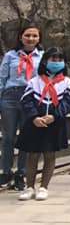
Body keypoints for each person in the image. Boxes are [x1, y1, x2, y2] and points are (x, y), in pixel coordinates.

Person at [17, 48, 70, 201]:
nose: (56, 62)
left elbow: (68, 102)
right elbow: (26, 100)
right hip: (35, 123)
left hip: (54, 123)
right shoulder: (35, 81)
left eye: (60, 60)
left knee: (49, 154)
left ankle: (44, 187)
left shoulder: (67, 82)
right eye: (53, 59)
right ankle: (29, 187)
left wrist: (55, 116)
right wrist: (34, 117)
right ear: (45, 61)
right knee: (33, 154)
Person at [0, 24, 43, 191]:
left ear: (39, 38)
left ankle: (21, 173)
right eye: (27, 35)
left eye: (34, 36)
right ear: (20, 37)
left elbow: (44, 79)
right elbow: (2, 78)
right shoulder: (10, 55)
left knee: (26, 137)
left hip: (30, 97)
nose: (31, 39)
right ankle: (6, 172)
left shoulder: (43, 56)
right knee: (8, 137)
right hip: (10, 97)